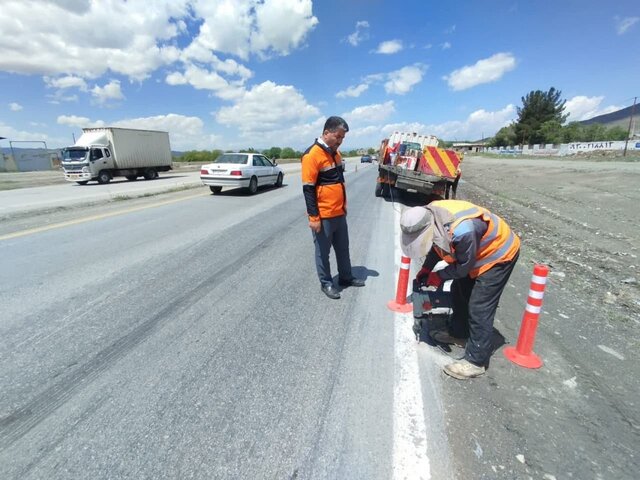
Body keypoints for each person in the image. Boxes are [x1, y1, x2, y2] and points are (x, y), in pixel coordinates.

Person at [400, 199, 520, 380]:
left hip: (498, 253)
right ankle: (460, 334)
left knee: (479, 305)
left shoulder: (463, 230)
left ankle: (476, 361)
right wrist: (426, 269)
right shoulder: (430, 215)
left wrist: (439, 276)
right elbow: (436, 245)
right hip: (475, 251)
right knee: (459, 290)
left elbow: (464, 266)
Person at [301, 116, 365, 299]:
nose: (340, 141)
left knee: (343, 248)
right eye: (338, 137)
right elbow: (308, 189)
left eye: (343, 138)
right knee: (323, 252)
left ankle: (345, 277)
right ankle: (326, 283)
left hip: (339, 213)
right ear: (326, 132)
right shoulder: (312, 155)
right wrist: (314, 218)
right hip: (323, 216)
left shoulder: (335, 154)